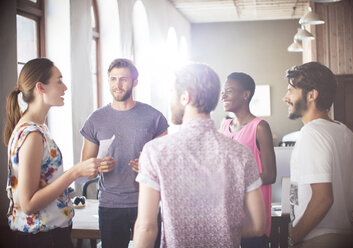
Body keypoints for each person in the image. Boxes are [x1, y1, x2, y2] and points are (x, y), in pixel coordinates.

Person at [133, 63, 266, 248]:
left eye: (172, 92)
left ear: (185, 97)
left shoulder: (156, 152)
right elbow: (258, 225)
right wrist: (220, 230)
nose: (170, 99)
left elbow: (146, 228)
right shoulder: (241, 154)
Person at [3, 58, 103, 248]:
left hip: (48, 235)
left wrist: (80, 170)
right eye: (59, 81)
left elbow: (44, 182)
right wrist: (75, 172)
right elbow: (29, 204)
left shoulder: (37, 128)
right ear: (41, 88)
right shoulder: (32, 134)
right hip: (42, 239)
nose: (65, 87)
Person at [80, 58, 168, 248]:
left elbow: (166, 165)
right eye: (113, 79)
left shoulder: (154, 118)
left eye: (123, 79)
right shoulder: (96, 119)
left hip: (147, 202)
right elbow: (86, 168)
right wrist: (98, 165)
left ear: (135, 82)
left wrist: (148, 167)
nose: (117, 85)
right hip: (110, 205)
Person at [283, 62, 353, 248]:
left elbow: (323, 198)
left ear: (312, 95)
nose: (285, 98)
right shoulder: (346, 132)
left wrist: (293, 237)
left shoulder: (311, 133)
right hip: (345, 238)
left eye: (291, 90)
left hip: (318, 240)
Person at [220, 72, 276, 248]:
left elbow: (270, 175)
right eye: (223, 91)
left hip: (253, 218)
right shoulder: (223, 127)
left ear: (246, 95)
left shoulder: (260, 127)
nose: (223, 95)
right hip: (228, 216)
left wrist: (233, 180)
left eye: (229, 91)